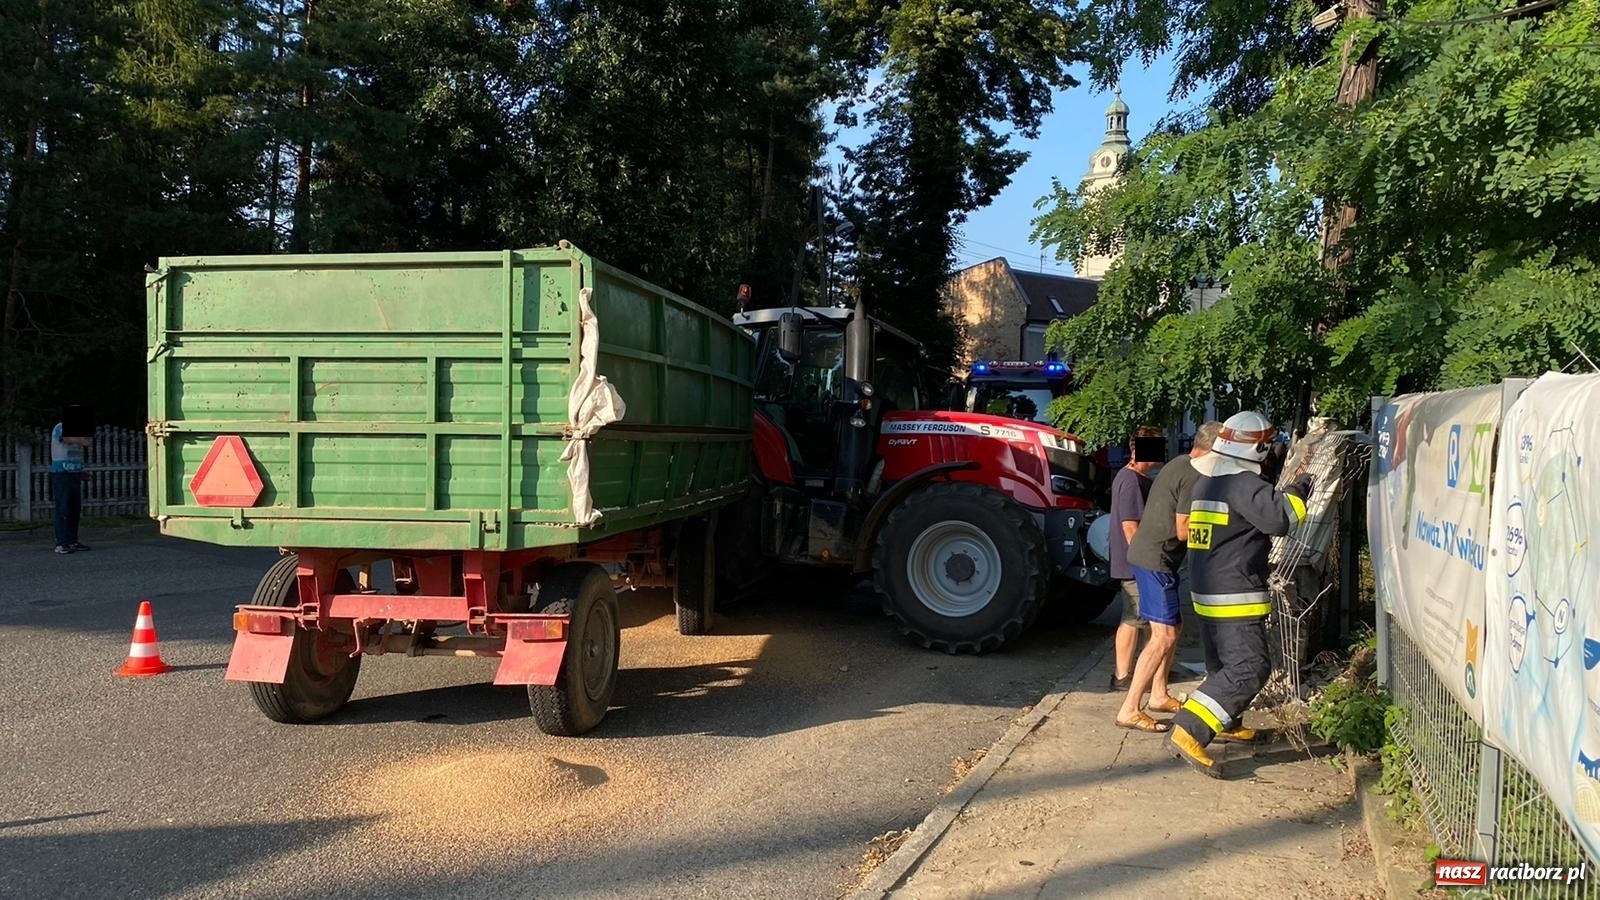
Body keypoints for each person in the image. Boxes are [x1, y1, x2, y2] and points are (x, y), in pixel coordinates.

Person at [1168, 410, 1313, 777]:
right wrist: (1299, 490)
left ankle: (1227, 722)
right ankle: (1189, 729)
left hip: (1207, 589)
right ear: (1259, 449)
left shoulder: (1207, 483)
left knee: (1222, 666)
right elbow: (1281, 519)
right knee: (1249, 667)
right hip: (1234, 592)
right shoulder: (1243, 484)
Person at [1114, 420, 1224, 733]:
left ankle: (1159, 695)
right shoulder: (1194, 476)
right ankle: (1129, 708)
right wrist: (1222, 530)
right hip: (1155, 560)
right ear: (1214, 450)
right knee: (1161, 635)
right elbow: (1183, 530)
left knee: (1173, 627)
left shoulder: (1178, 464)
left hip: (1155, 558)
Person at [1107, 426, 1163, 691]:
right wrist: (1145, 562)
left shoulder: (1135, 478)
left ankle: (1146, 671)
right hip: (1135, 564)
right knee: (1134, 617)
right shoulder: (1130, 481)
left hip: (1135, 562)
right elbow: (1130, 527)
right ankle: (1122, 676)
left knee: (1146, 619)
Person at [51, 420, 93, 554]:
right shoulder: (61, 427)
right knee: (63, 509)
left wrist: (80, 472)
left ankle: (72, 541)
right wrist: (82, 440)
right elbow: (66, 438)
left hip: (74, 474)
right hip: (62, 473)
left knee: (74, 509)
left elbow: (74, 455)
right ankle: (61, 543)